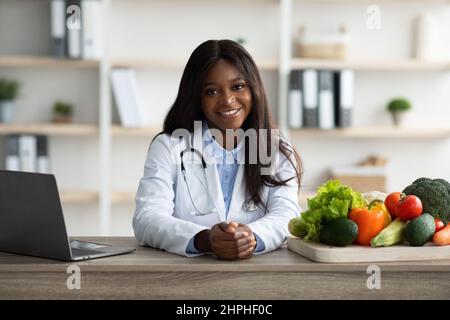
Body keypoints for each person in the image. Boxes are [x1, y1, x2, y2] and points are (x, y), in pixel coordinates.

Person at [133, 39, 302, 260]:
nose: (228, 100)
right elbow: (147, 218)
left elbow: (287, 215)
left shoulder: (270, 148)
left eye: (238, 87)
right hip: (185, 277)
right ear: (197, 97)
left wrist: (250, 237)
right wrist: (204, 239)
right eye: (212, 92)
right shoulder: (170, 145)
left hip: (258, 276)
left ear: (254, 89)